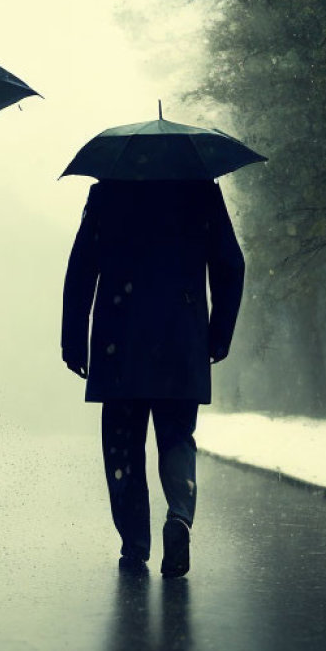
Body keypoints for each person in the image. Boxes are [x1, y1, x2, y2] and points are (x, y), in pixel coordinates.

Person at [61, 179, 244, 577]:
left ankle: (134, 543)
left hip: (119, 341)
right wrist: (218, 334)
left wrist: (74, 342)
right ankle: (179, 516)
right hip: (182, 339)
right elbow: (231, 266)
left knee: (122, 447)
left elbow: (80, 271)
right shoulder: (201, 192)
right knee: (177, 437)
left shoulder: (107, 193)